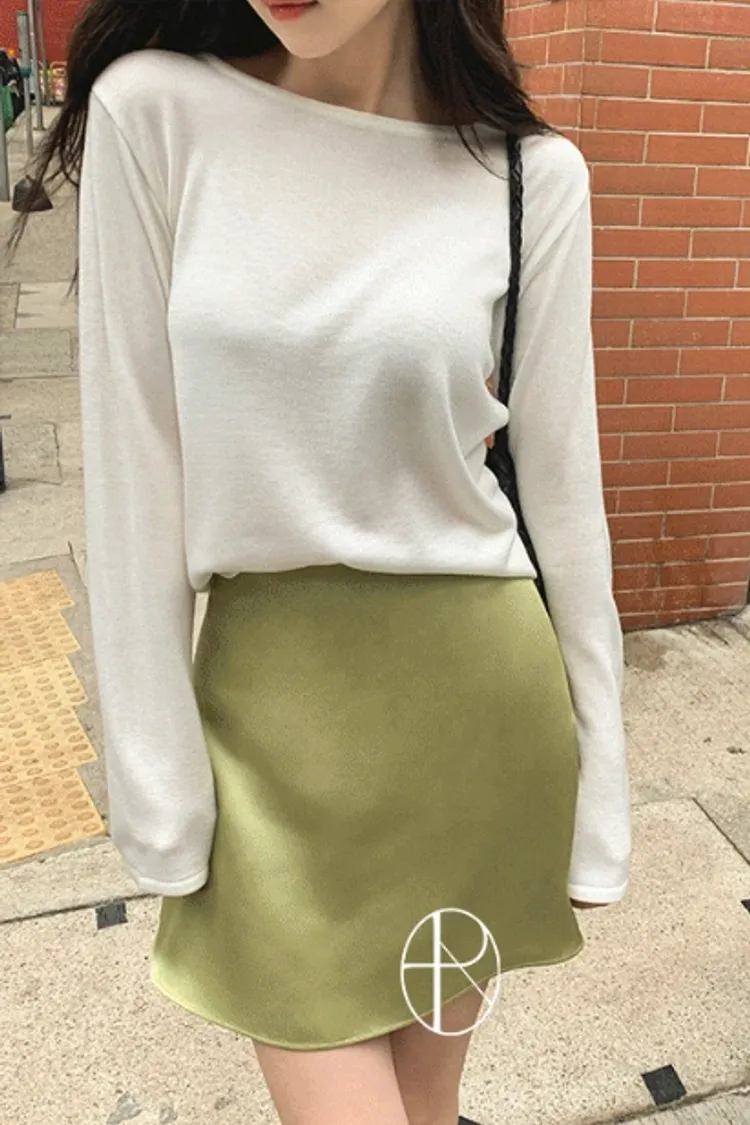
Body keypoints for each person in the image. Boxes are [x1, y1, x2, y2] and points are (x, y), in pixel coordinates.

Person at [11, 1, 631, 1122]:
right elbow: (134, 474)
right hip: (269, 742)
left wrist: (602, 793)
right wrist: (159, 791)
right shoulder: (156, 115)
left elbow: (564, 500)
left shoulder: (530, 179)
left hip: (479, 735)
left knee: (428, 1110)